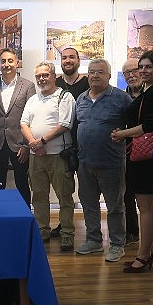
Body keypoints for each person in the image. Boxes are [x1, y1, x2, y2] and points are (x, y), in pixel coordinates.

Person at [112, 50, 153, 271]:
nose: (143, 71)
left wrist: (122, 134)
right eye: (141, 67)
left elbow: (149, 126)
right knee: (149, 206)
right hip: (145, 156)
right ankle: (147, 253)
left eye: (147, 67)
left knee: (145, 207)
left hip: (145, 158)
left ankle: (144, 256)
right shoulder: (152, 90)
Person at [75, 59, 132, 262]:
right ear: (87, 75)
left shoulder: (121, 98)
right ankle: (94, 241)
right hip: (85, 163)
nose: (95, 75)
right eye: (92, 72)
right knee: (88, 204)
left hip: (112, 163)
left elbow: (136, 126)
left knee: (115, 206)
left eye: (100, 72)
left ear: (109, 75)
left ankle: (117, 244)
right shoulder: (81, 99)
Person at [20, 61, 76, 250]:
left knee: (64, 197)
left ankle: (67, 233)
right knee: (39, 196)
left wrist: (41, 142)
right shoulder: (33, 100)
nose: (42, 79)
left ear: (54, 76)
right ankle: (42, 230)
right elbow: (23, 124)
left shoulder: (64, 97)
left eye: (45, 75)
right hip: (37, 157)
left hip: (58, 156)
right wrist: (34, 145)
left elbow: (65, 124)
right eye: (38, 76)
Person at [0, 48, 35, 206]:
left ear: (17, 63)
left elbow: (32, 118)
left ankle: (25, 215)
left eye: (10, 61)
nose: (6, 64)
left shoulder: (28, 86)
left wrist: (27, 144)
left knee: (22, 183)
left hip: (19, 145)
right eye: (3, 61)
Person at [51, 46, 89, 238]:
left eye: (71, 57)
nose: (67, 60)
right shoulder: (55, 83)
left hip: (84, 144)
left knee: (86, 189)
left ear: (78, 60)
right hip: (61, 145)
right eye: (64, 57)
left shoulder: (89, 83)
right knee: (64, 190)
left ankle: (92, 228)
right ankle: (64, 224)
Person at [121, 59, 143, 246]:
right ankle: (132, 231)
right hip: (127, 152)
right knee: (127, 193)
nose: (131, 75)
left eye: (135, 70)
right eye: (127, 72)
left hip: (150, 154)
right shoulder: (121, 97)